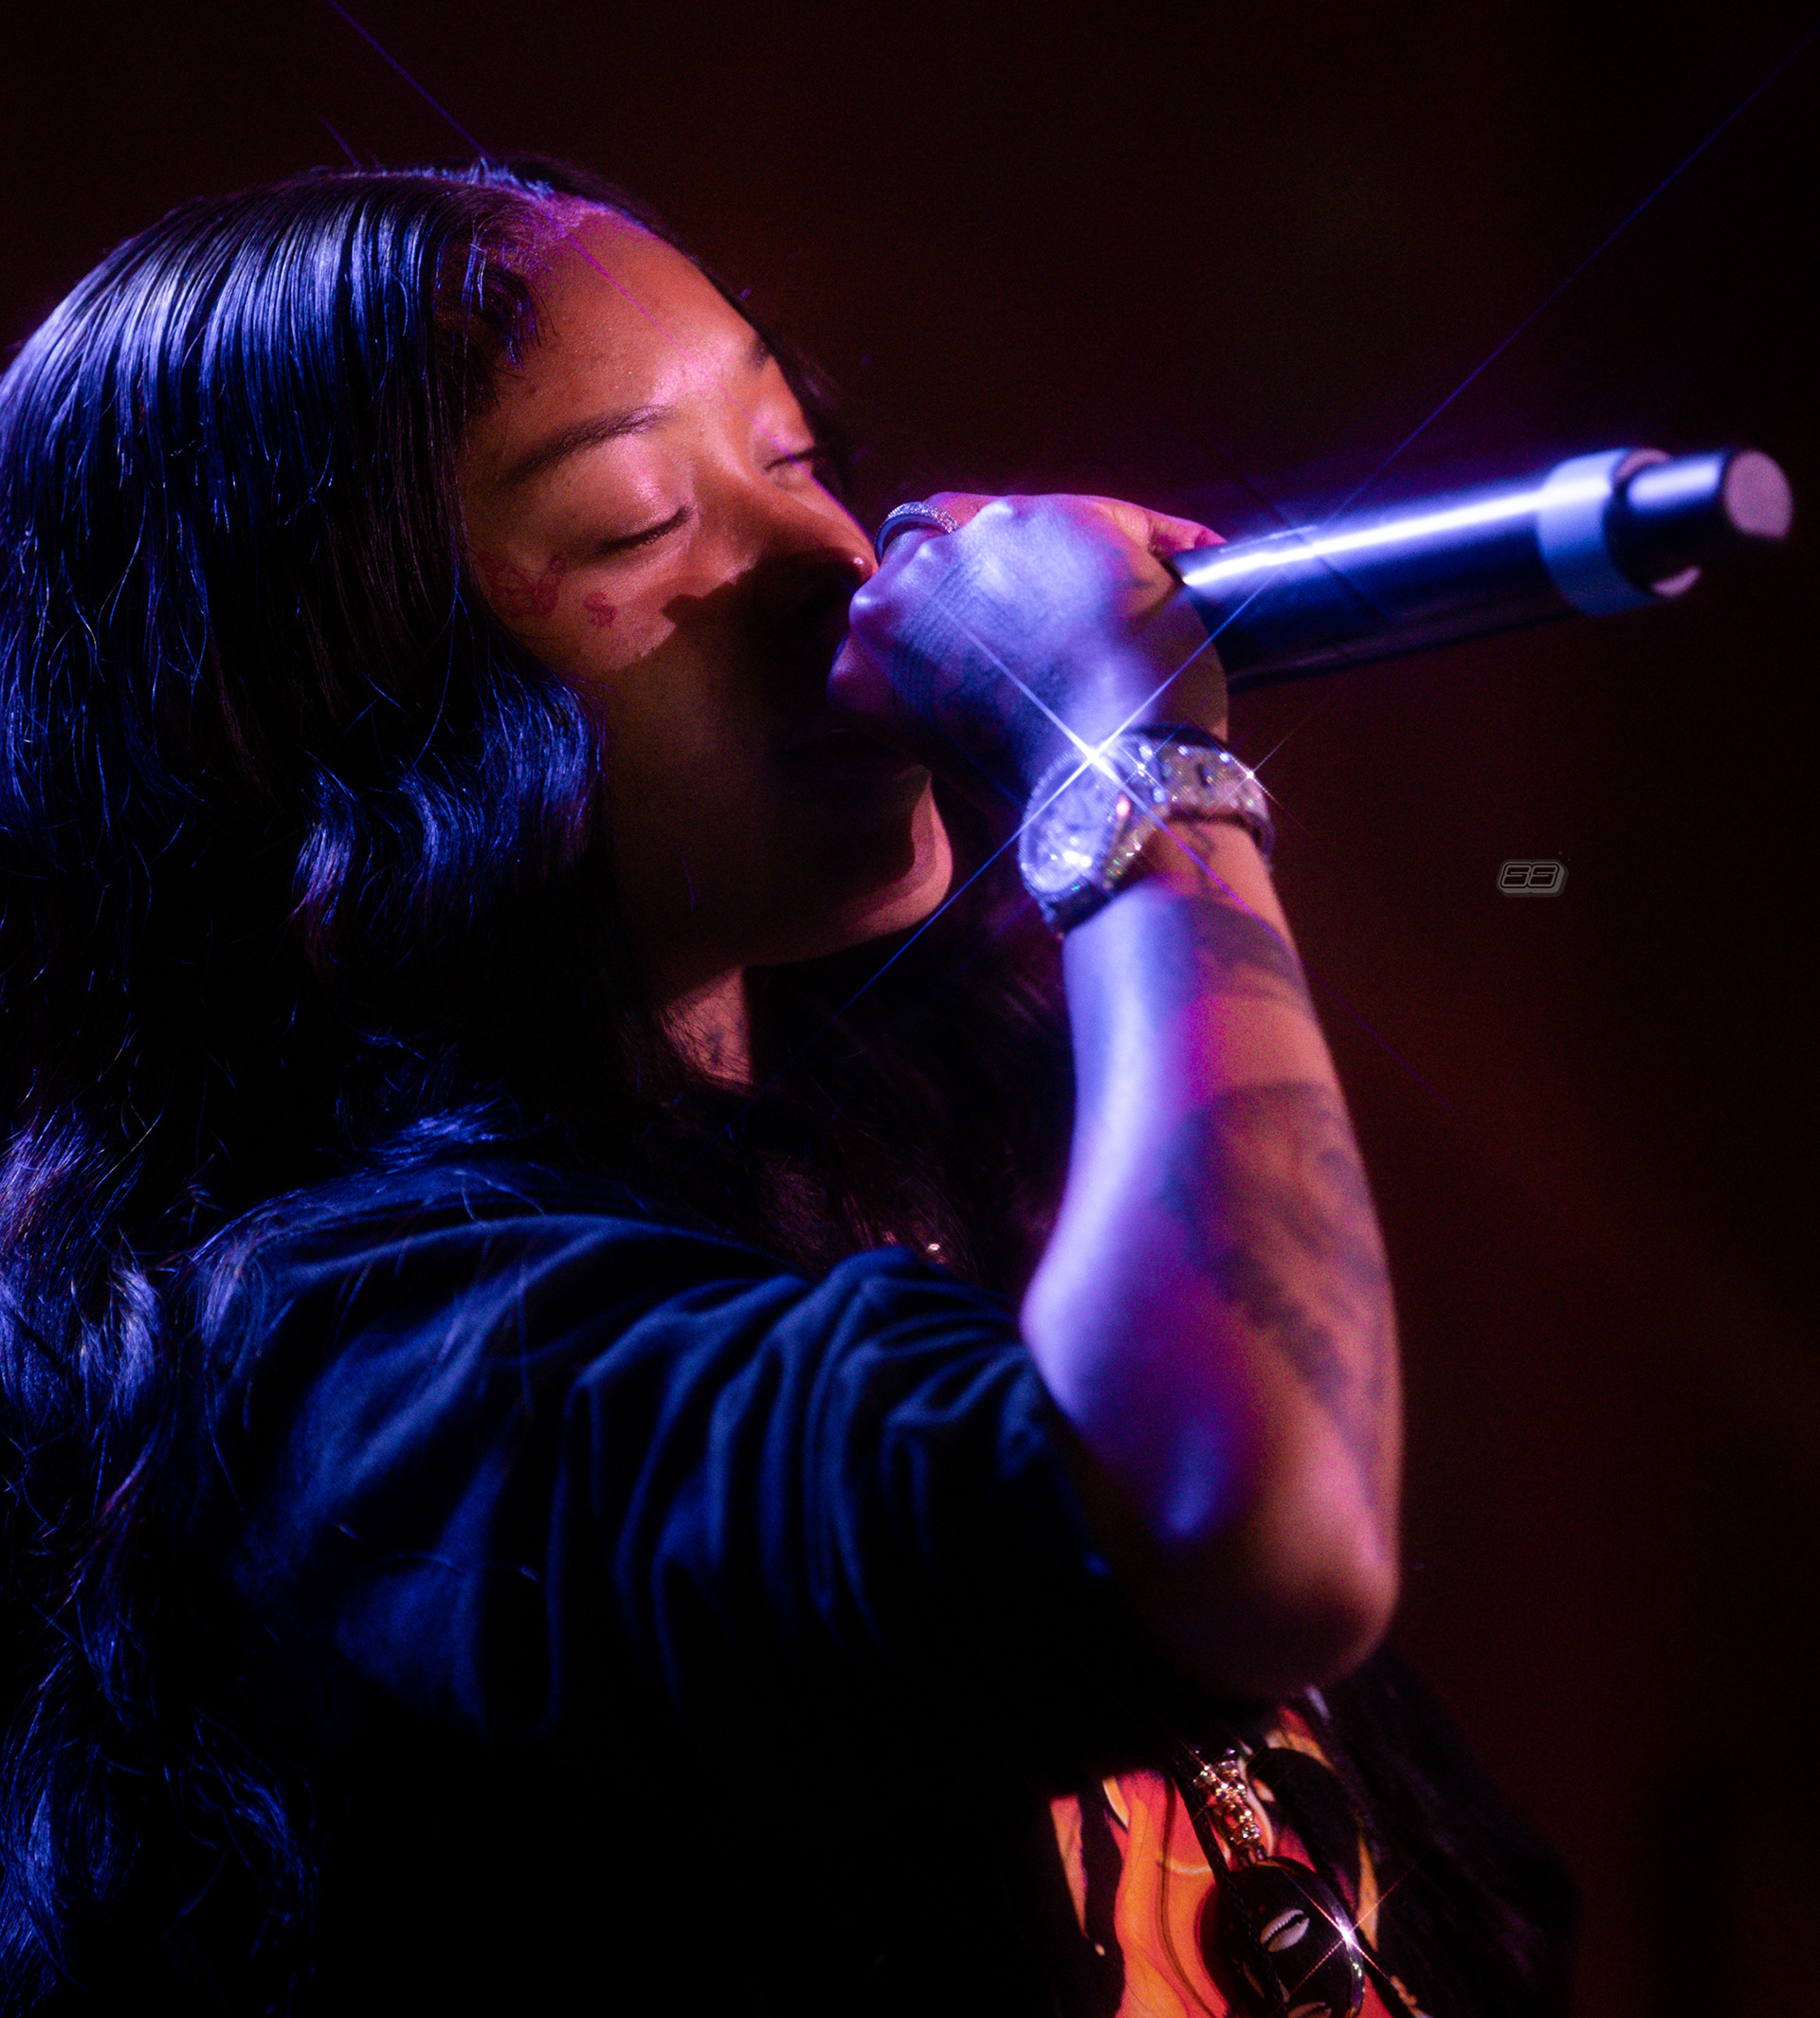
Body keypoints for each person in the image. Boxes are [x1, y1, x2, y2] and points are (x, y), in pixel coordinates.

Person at [0, 161, 1574, 2015]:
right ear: (319, 712)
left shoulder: (939, 1198)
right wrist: (1136, 774)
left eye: (793, 453)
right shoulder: (361, 1373)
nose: (842, 564)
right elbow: (1244, 1531)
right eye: (638, 518)